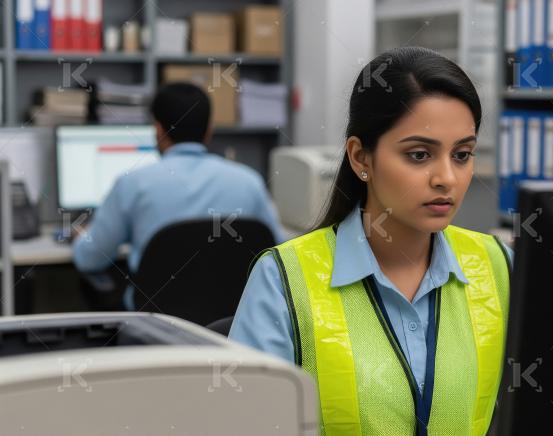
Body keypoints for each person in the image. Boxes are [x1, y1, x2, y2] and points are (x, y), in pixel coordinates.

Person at [229, 47, 512, 436]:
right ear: (361, 158)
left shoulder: (498, 265)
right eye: (419, 155)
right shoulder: (285, 279)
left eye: (462, 154)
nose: (446, 177)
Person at [73, 82, 287, 310]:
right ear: (209, 130)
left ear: (157, 129)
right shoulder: (249, 182)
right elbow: (281, 256)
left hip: (156, 329)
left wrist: (81, 236)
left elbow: (90, 258)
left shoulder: (132, 184)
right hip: (230, 328)